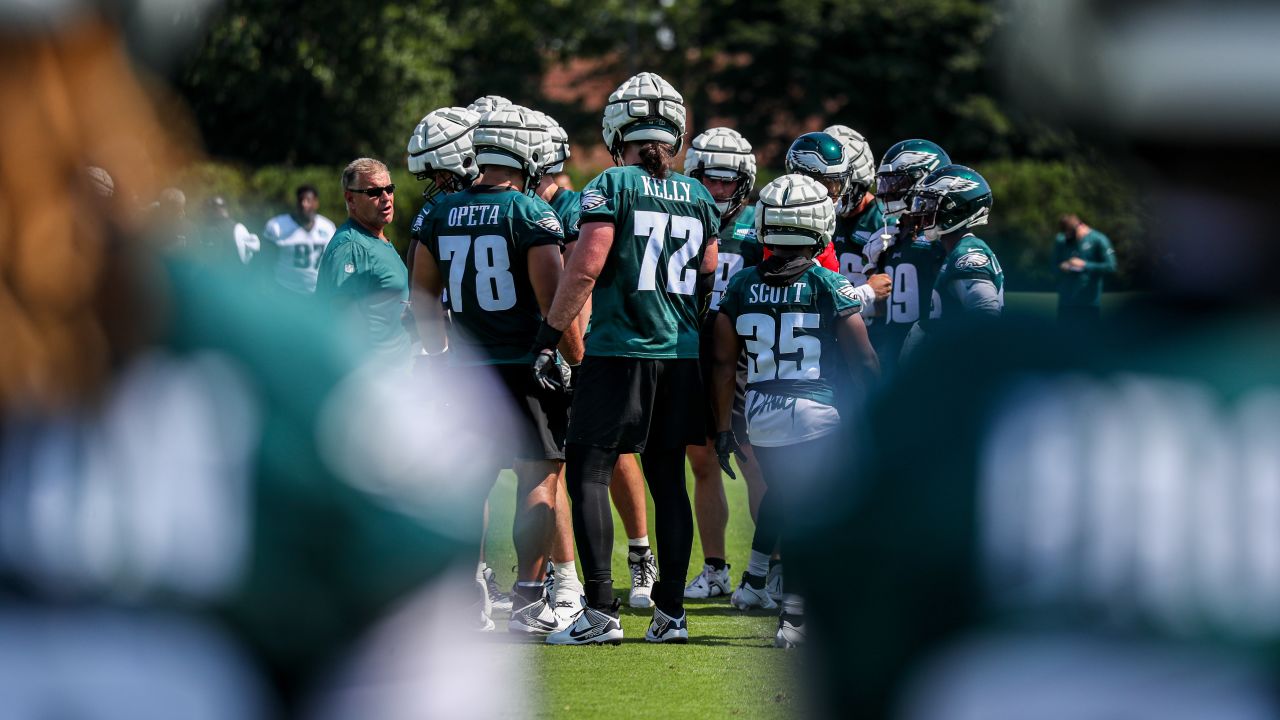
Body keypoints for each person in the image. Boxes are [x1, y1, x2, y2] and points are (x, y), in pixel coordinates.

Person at [531, 71, 719, 645]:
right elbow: (707, 277)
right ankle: (671, 616)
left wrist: (549, 333)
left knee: (588, 470)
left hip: (618, 350)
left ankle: (603, 612)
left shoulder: (611, 184)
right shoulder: (702, 194)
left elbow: (587, 265)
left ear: (618, 130)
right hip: (680, 354)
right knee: (668, 481)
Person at [412, 104, 585, 637]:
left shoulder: (440, 215)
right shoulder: (529, 214)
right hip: (526, 364)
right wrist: (577, 361)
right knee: (539, 480)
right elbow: (556, 303)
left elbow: (420, 294)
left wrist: (439, 357)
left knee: (471, 484)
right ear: (526, 156)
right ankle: (529, 600)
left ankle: (469, 598)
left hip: (466, 368)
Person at [713, 174, 879, 647]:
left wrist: (724, 427)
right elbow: (863, 359)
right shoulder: (829, 284)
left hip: (762, 413)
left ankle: (754, 583)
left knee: (785, 497)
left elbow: (725, 365)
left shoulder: (741, 285)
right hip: (816, 411)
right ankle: (796, 619)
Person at [680, 126, 768, 600]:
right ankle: (715, 569)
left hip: (746, 362)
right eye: (709, 179)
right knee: (702, 461)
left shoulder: (760, 227)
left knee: (757, 461)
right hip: (695, 355)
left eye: (727, 181)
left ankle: (772, 567)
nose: (717, 190)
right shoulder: (682, 216)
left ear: (744, 181)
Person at [899, 164, 1002, 362]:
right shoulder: (954, 251)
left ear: (955, 209)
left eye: (930, 204)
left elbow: (986, 318)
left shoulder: (968, 254)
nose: (922, 210)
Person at [315, 158, 411, 366]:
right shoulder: (351, 247)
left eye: (389, 189)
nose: (386, 198)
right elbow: (342, 328)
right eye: (374, 192)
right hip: (376, 380)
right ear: (351, 199)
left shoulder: (375, 237)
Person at [260, 185, 336, 294]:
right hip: (285, 290)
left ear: (316, 203)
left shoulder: (328, 228)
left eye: (308, 200)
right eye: (301, 200)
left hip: (317, 293)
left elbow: (332, 263)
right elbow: (265, 261)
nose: (304, 204)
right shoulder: (277, 226)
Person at [1054, 213, 1116, 326]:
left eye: (1072, 235)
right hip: (1066, 303)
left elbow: (1111, 266)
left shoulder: (1100, 240)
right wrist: (1062, 266)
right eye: (1066, 235)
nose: (1068, 238)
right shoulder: (1061, 240)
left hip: (1089, 303)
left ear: (1080, 226)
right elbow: (1053, 265)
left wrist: (1085, 265)